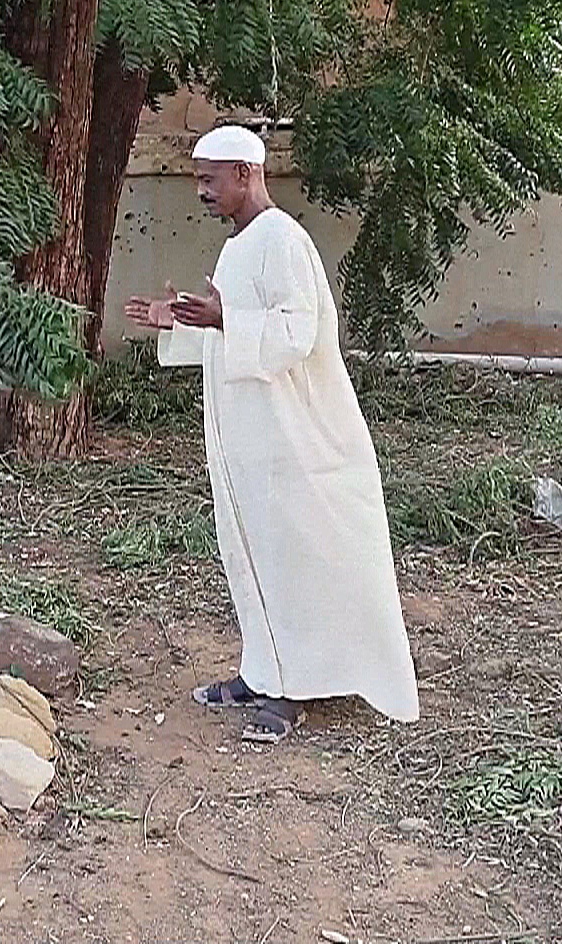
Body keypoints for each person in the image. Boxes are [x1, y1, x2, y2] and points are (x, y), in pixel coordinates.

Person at [123, 125, 420, 742]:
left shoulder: (282, 239)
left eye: (209, 179)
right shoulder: (240, 244)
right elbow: (230, 332)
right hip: (251, 441)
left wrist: (225, 316)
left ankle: (292, 692)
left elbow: (298, 332)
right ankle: (262, 671)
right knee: (253, 554)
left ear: (245, 173)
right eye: (197, 179)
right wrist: (177, 320)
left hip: (293, 441)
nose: (200, 191)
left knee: (293, 559)